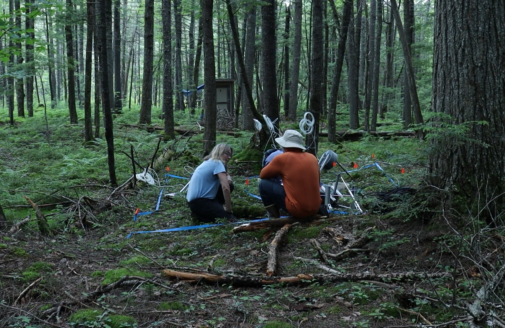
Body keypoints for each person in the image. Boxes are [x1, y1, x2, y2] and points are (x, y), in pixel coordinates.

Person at [259, 130, 322, 218]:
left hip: (298, 210)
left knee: (263, 184)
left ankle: (274, 218)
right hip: (315, 208)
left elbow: (262, 175)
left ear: (284, 145)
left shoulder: (282, 158)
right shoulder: (312, 158)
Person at [187, 143, 237, 223]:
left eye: (230, 155)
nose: (229, 157)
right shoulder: (217, 163)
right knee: (230, 219)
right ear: (219, 152)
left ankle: (204, 214)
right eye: (227, 154)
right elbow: (226, 188)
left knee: (230, 185)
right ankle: (204, 215)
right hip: (200, 202)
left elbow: (227, 181)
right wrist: (229, 209)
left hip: (197, 202)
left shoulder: (209, 161)